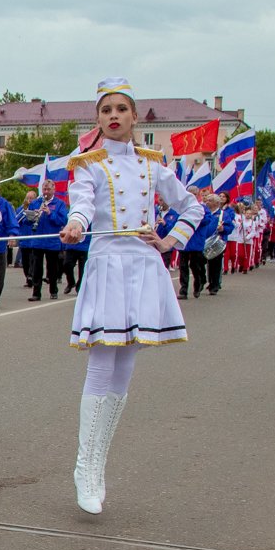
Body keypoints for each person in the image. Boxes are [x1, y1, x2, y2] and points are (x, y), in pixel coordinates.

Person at [59, 77, 204, 514]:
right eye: (106, 110)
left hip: (142, 266)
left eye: (122, 109)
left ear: (134, 116)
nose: (114, 116)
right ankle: (85, 468)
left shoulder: (153, 163)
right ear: (98, 119)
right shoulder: (87, 164)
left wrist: (168, 240)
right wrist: (77, 223)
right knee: (102, 363)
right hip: (107, 264)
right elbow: (82, 203)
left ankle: (98, 463)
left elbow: (192, 206)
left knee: (126, 367)